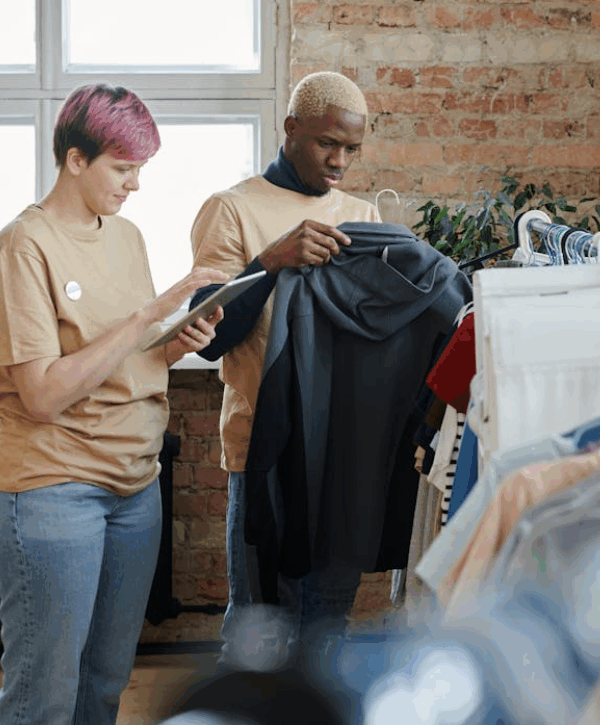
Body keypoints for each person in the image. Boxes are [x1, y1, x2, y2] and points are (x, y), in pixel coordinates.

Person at [0, 83, 228, 724]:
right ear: (76, 160)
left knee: (105, 682)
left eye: (140, 170)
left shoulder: (126, 237)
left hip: (134, 489)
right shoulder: (23, 247)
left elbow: (125, 361)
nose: (134, 185)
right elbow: (41, 394)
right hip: (52, 489)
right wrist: (151, 311)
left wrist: (174, 341)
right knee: (44, 693)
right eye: (123, 169)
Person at [188, 71, 381, 663]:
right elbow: (207, 338)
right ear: (291, 128)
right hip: (263, 455)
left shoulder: (363, 214)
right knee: (260, 635)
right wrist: (271, 261)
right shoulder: (232, 209)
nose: (340, 161)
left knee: (326, 630)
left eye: (351, 149)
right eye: (328, 144)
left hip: (341, 457)